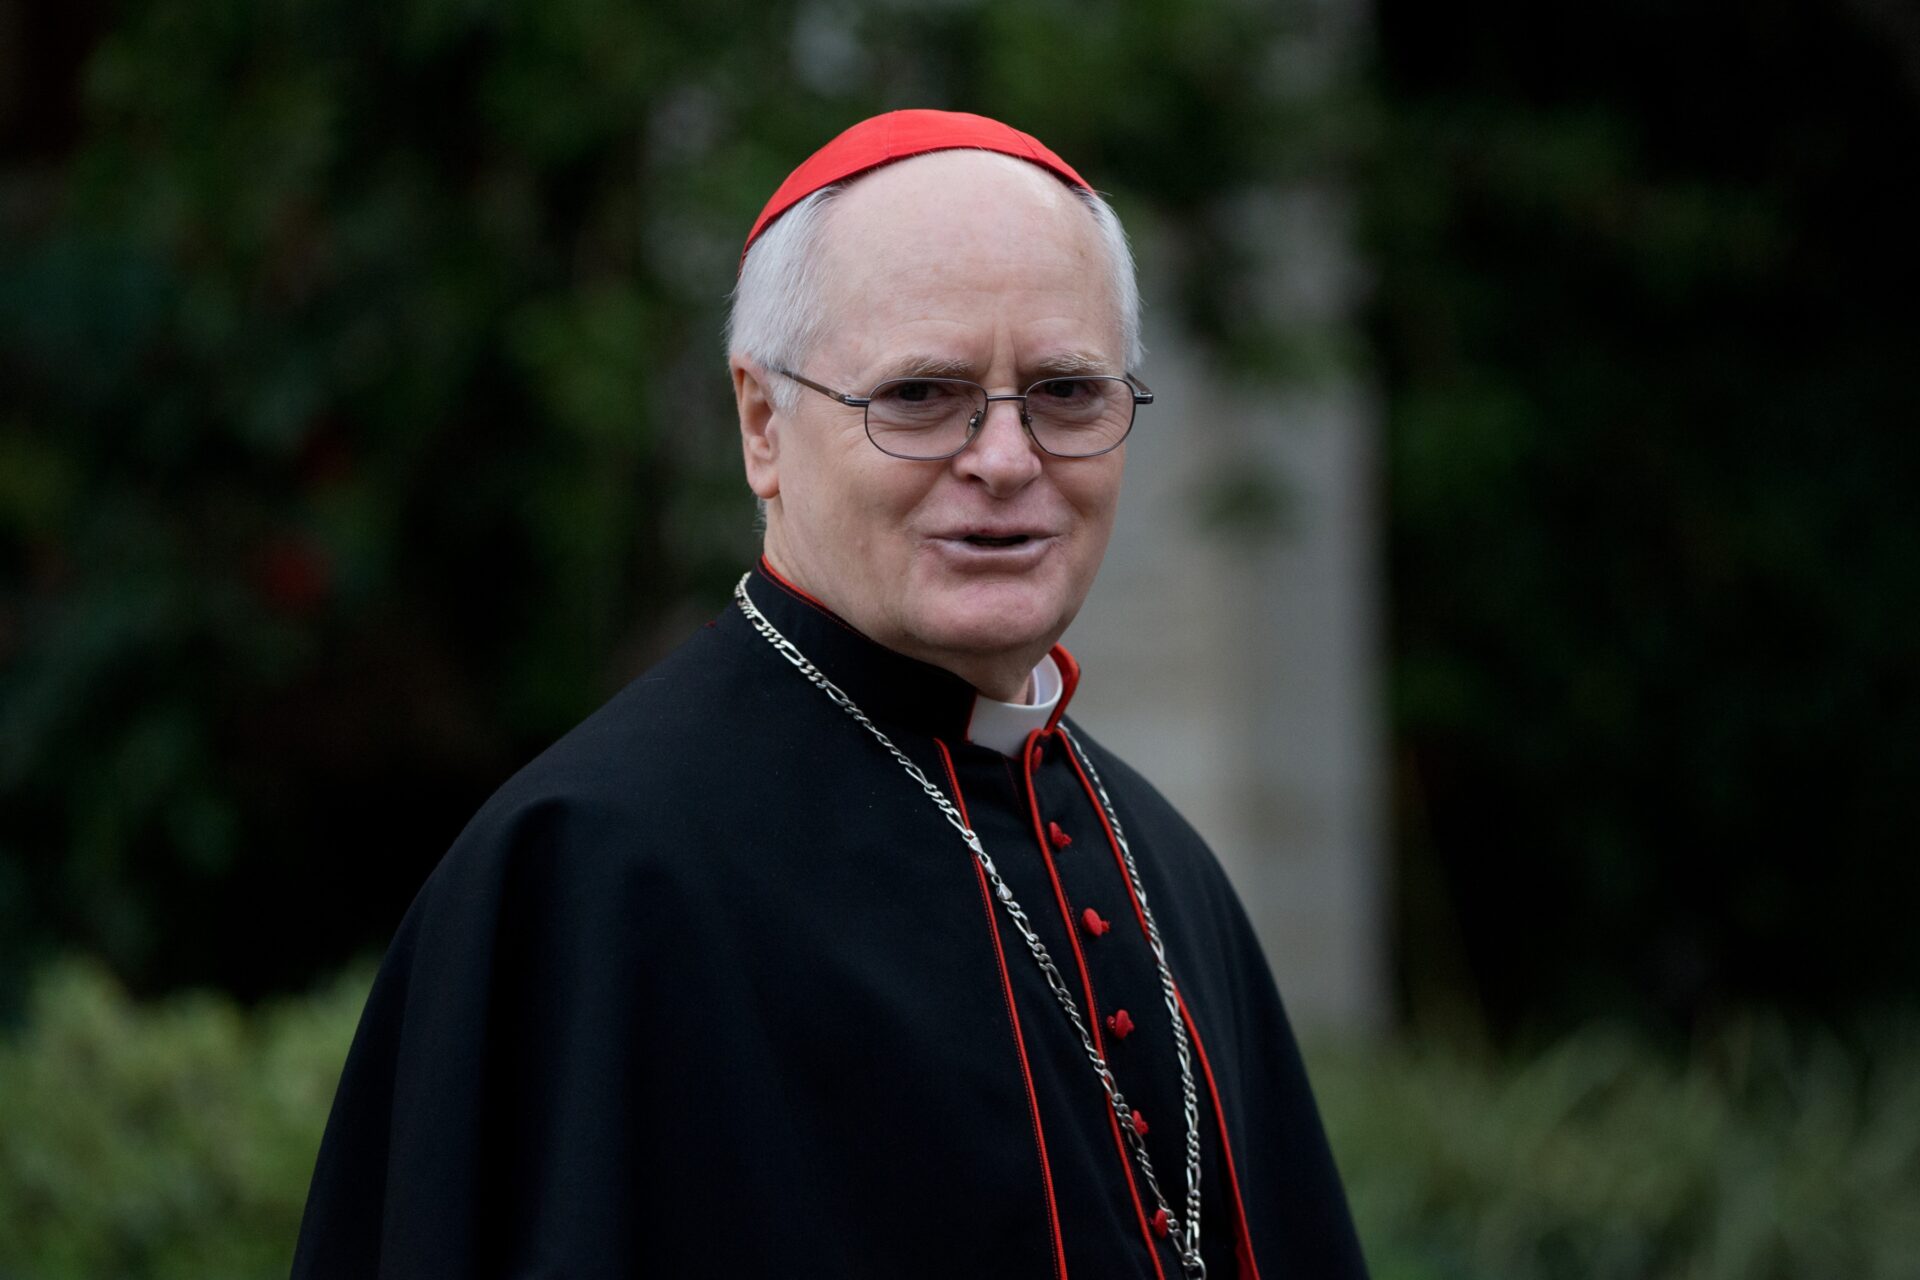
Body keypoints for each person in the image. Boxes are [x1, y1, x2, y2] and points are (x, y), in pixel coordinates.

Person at [292, 109, 1368, 1280]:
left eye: (1065, 391)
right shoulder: (594, 868)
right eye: (919, 395)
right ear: (763, 422)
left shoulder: (1162, 866)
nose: (1006, 459)